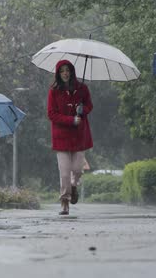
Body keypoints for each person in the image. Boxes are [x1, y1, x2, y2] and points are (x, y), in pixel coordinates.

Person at [47, 60, 93, 215]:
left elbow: (89, 105)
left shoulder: (82, 89)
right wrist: (70, 120)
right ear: (58, 74)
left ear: (72, 72)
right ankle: (65, 202)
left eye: (67, 70)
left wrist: (83, 109)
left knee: (77, 170)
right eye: (62, 71)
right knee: (65, 173)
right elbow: (51, 114)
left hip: (79, 136)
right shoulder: (54, 91)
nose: (65, 73)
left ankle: (74, 185)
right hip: (61, 137)